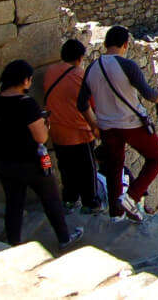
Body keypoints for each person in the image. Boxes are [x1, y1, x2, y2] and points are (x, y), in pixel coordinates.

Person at [77, 25, 158, 222]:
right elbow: (148, 94)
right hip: (131, 123)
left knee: (115, 167)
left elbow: (81, 103)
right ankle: (131, 197)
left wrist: (94, 124)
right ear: (125, 44)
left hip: (107, 127)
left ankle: (116, 214)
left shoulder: (92, 68)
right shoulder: (126, 65)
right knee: (157, 157)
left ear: (105, 44)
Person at [0, 59, 83, 249]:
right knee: (51, 199)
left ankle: (14, 243)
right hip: (30, 162)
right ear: (25, 80)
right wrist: (46, 125)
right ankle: (64, 238)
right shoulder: (27, 104)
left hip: (3, 160)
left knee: (14, 203)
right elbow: (40, 138)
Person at [43, 39, 102, 213]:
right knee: (87, 169)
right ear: (79, 58)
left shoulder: (50, 72)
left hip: (57, 131)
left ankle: (69, 200)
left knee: (66, 168)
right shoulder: (79, 75)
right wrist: (95, 126)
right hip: (79, 132)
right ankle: (90, 203)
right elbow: (90, 104)